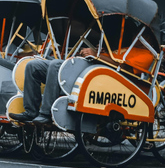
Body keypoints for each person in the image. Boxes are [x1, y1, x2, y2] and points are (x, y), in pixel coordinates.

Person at [9, 44, 155, 125]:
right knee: (33, 65)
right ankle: (31, 111)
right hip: (89, 66)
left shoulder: (144, 53)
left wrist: (97, 54)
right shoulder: (117, 44)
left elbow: (125, 69)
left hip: (103, 75)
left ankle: (45, 113)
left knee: (55, 65)